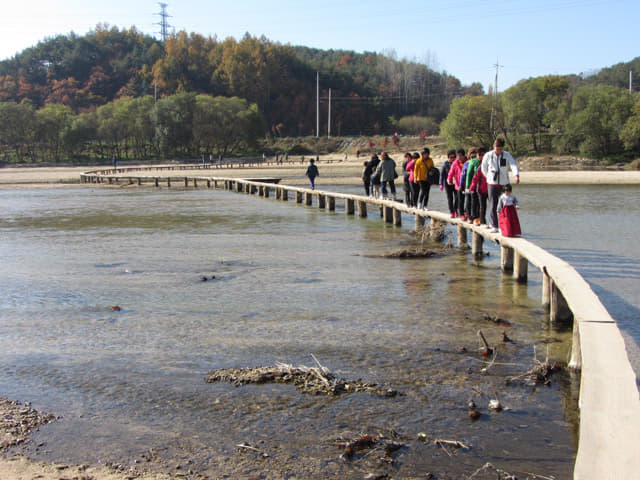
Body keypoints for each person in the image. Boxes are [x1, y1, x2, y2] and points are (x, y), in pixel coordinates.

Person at [481, 138, 520, 233]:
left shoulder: (507, 155)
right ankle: (494, 225)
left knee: (506, 204)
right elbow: (483, 168)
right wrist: (489, 177)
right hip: (492, 183)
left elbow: (513, 164)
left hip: (504, 183)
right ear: (493, 147)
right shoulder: (488, 155)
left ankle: (505, 225)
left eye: (500, 149)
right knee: (493, 204)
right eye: (496, 148)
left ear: (502, 148)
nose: (498, 151)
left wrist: (516, 175)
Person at [468, 146, 488, 226]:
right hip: (480, 189)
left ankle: (483, 219)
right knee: (480, 205)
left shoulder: (489, 164)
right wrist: (471, 187)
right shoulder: (478, 166)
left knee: (486, 206)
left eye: (483, 155)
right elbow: (474, 177)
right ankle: (478, 219)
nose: (481, 157)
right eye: (479, 155)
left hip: (489, 188)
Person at [446, 148, 466, 218]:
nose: (459, 157)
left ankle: (466, 212)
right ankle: (461, 214)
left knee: (469, 199)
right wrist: (449, 179)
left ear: (464, 155)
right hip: (458, 184)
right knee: (460, 200)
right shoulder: (455, 163)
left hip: (467, 184)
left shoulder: (468, 162)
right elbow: (451, 172)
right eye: (458, 156)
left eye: (460, 156)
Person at [464, 148, 481, 221]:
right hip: (470, 184)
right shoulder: (468, 163)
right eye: (472, 155)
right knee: (469, 200)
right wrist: (467, 186)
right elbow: (466, 175)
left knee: (477, 201)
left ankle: (478, 216)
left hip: (478, 185)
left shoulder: (481, 162)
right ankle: (469, 215)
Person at [440, 150, 455, 216]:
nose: (452, 159)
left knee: (457, 198)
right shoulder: (445, 164)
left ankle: (456, 210)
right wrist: (441, 184)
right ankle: (452, 212)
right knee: (450, 198)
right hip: (447, 184)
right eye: (451, 157)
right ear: (448, 157)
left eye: (454, 157)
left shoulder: (457, 163)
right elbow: (442, 174)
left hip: (455, 183)